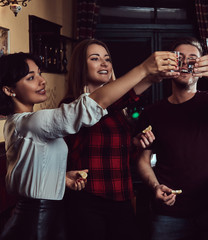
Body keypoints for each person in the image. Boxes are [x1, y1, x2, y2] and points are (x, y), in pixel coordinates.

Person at [0, 51, 177, 240]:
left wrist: (63, 178)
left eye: (39, 74)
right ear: (9, 90)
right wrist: (143, 69)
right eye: (31, 77)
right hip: (35, 222)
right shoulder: (29, 122)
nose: (41, 81)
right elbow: (93, 105)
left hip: (46, 216)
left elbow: (28, 170)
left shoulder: (19, 123)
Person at [61, 39, 176, 240]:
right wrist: (146, 74)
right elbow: (100, 105)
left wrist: (134, 143)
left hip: (121, 198)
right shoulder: (71, 105)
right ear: (81, 65)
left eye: (107, 59)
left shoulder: (118, 111)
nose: (104, 63)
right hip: (89, 200)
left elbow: (113, 152)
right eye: (95, 58)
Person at [136, 37, 208, 240]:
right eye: (179, 58)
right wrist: (155, 186)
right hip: (168, 214)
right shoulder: (153, 112)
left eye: (193, 59)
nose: (186, 63)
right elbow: (142, 160)